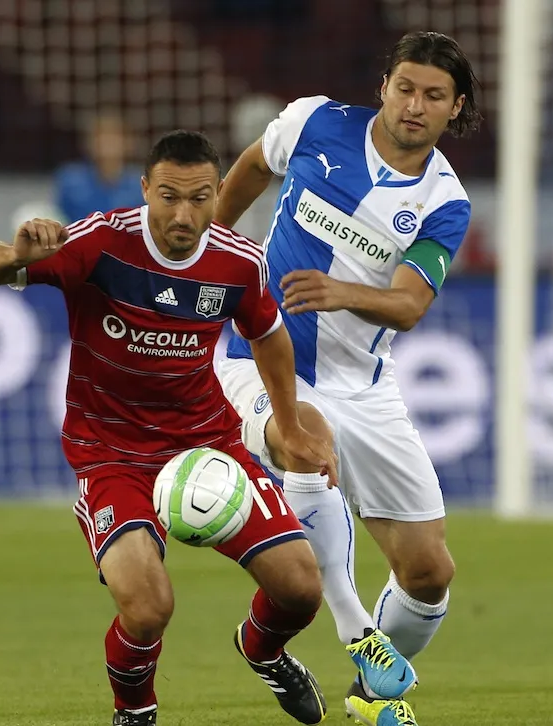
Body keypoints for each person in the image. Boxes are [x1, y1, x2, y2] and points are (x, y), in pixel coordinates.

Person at [0, 130, 338, 726]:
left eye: (198, 198)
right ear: (144, 190)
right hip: (111, 453)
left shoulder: (237, 261)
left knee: (300, 589)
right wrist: (16, 257)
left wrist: (288, 427)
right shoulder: (100, 243)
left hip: (207, 442)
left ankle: (262, 648)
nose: (183, 215)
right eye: (168, 196)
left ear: (218, 194)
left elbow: (268, 334)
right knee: (147, 608)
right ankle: (134, 710)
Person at [214, 31, 482, 726]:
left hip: (364, 383)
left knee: (430, 573)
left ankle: (368, 698)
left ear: (457, 108)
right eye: (406, 87)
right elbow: (249, 166)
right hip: (260, 360)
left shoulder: (444, 202)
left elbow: (411, 304)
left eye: (434, 96)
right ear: (384, 85)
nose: (415, 105)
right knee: (309, 439)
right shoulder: (314, 121)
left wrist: (342, 292)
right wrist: (206, 249)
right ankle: (356, 630)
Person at [54, 112, 143, 223]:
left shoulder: (141, 183)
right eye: (101, 137)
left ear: (129, 143)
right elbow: (57, 218)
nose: (108, 143)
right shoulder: (70, 179)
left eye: (115, 137)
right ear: (89, 143)